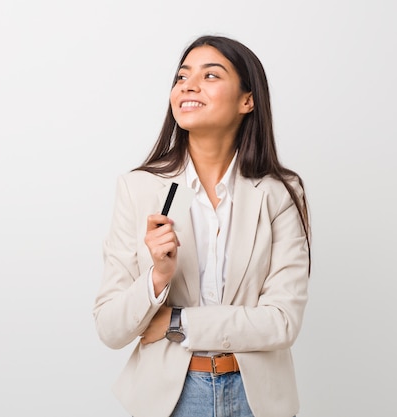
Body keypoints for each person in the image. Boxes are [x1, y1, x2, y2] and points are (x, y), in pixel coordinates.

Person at [93, 34, 311, 417]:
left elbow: (282, 322)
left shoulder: (281, 192)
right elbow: (111, 328)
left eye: (211, 75)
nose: (188, 86)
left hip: (255, 399)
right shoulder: (138, 188)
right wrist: (157, 278)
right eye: (182, 77)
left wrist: (178, 321)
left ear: (248, 100)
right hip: (172, 399)